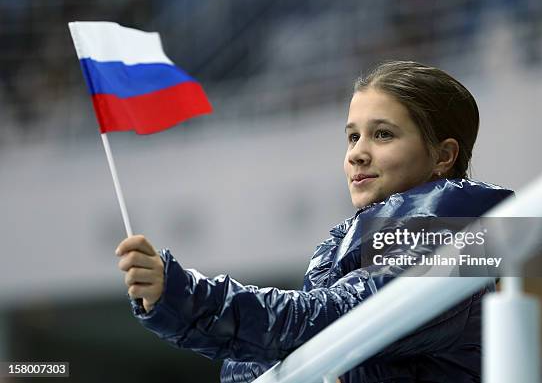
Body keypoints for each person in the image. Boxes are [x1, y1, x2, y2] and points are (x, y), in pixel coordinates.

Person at [116, 61, 513, 382]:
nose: (357, 153)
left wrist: (183, 294)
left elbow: (323, 318)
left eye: (383, 134)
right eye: (352, 137)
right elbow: (277, 346)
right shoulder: (355, 245)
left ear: (443, 155)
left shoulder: (457, 243)